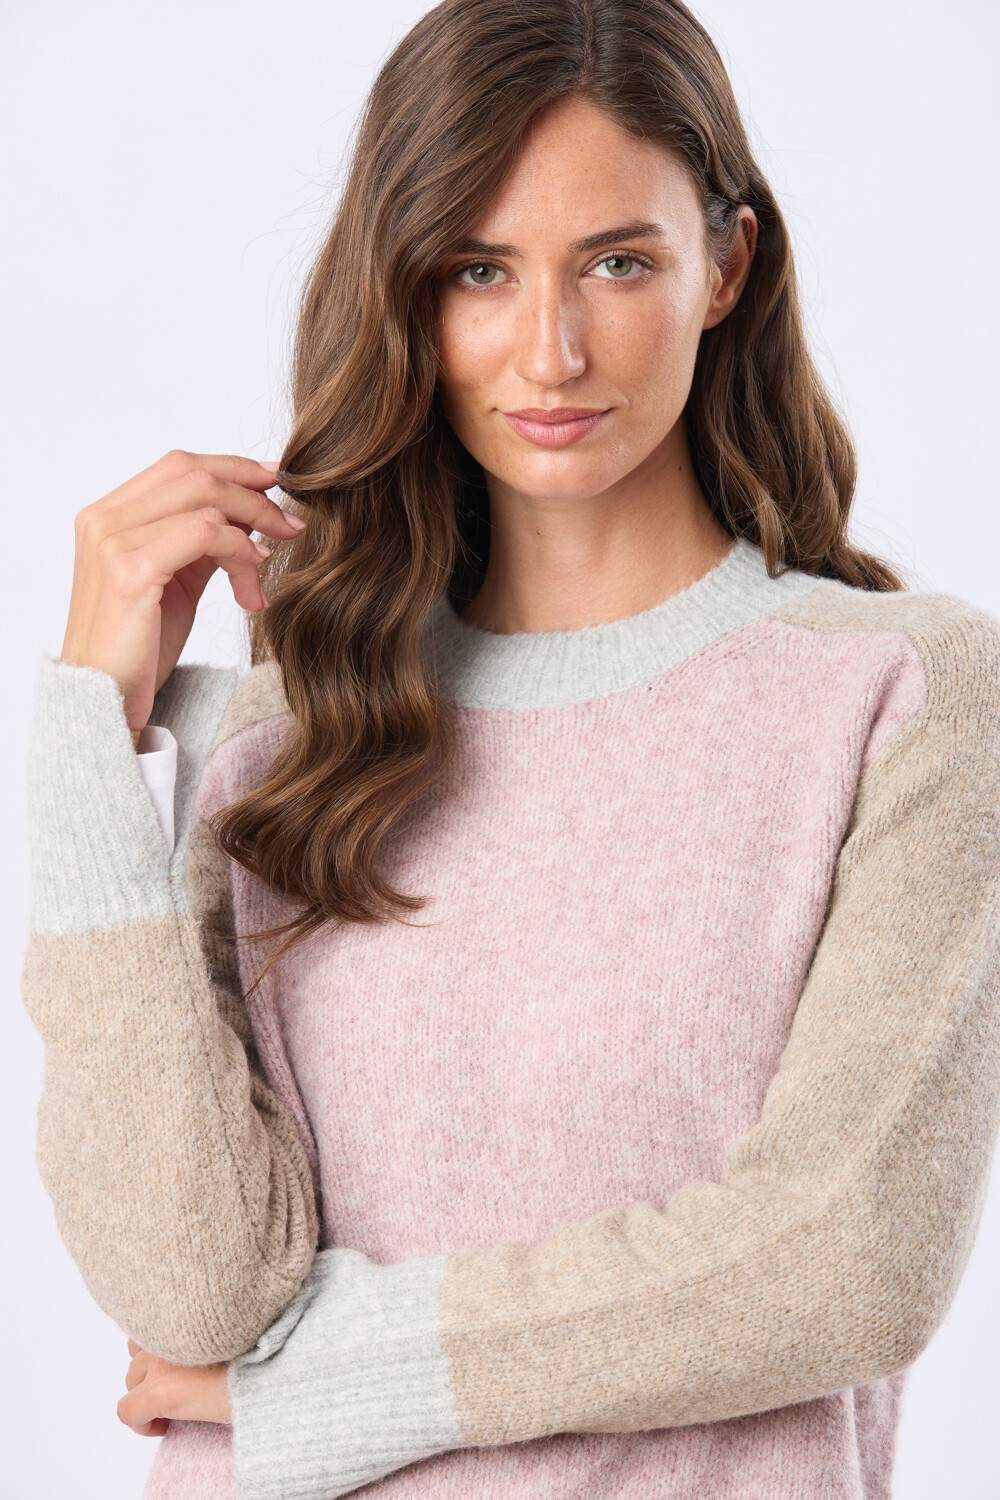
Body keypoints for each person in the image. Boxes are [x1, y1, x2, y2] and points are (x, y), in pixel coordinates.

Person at [21, 1, 1000, 1497]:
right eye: (479, 271)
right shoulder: (288, 733)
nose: (550, 352)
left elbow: (843, 1260)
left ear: (727, 266)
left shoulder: (897, 694)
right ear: (407, 291)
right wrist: (88, 735)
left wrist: (343, 1379)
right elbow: (195, 1296)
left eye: (618, 263)